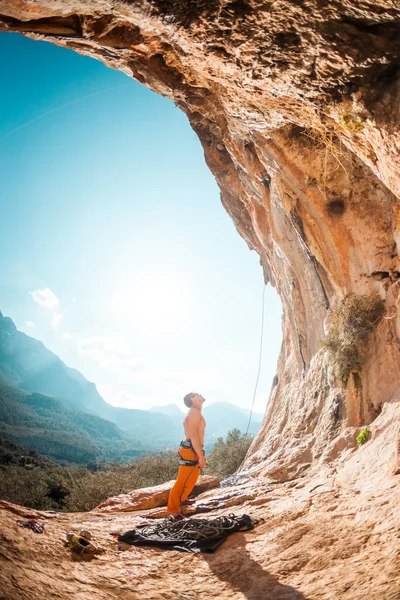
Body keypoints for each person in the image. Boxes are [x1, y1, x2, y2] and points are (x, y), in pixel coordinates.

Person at [167, 392, 207, 519]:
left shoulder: (194, 412)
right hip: (191, 449)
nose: (201, 394)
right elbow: (193, 435)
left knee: (192, 478)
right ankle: (173, 511)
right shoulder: (194, 412)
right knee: (183, 480)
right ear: (192, 399)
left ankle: (182, 499)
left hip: (192, 448)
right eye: (197, 394)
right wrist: (200, 455)